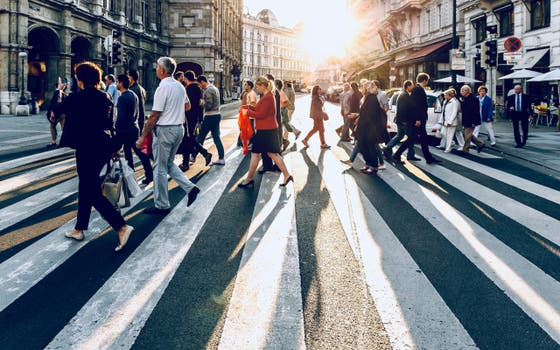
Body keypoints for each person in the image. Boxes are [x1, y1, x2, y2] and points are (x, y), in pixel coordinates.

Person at [58, 62, 133, 252]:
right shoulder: (105, 96)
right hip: (104, 146)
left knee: (91, 190)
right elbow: (110, 123)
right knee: (86, 185)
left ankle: (121, 226)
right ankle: (79, 228)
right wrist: (114, 148)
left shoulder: (78, 97)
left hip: (86, 147)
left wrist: (59, 91)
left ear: (80, 79)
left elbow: (55, 111)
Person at [135, 57, 200, 215]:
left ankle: (162, 205)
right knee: (168, 163)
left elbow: (155, 115)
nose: (156, 69)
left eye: (157, 67)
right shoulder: (179, 86)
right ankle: (191, 188)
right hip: (178, 129)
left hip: (165, 130)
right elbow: (188, 106)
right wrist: (173, 110)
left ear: (162, 70)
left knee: (159, 169)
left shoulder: (162, 88)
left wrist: (142, 136)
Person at [238, 76, 293, 188]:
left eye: (258, 86)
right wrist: (250, 108)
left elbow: (261, 114)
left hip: (265, 130)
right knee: (272, 154)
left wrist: (249, 113)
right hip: (268, 129)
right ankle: (287, 176)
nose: (257, 88)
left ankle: (249, 179)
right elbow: (261, 110)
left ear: (263, 85)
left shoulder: (268, 97)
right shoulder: (268, 96)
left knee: (255, 153)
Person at [115, 74, 153, 184]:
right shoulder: (133, 94)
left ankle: (130, 176)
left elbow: (121, 117)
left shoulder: (122, 98)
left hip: (124, 130)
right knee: (134, 152)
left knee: (116, 151)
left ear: (121, 83)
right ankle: (145, 173)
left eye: (117, 82)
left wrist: (116, 129)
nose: (117, 84)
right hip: (133, 127)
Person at [394, 73, 440, 164]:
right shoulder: (417, 89)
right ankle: (397, 155)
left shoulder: (418, 89)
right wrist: (417, 119)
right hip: (418, 120)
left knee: (421, 139)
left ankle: (428, 158)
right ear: (424, 80)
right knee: (413, 139)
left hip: (419, 119)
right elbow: (415, 106)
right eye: (427, 80)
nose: (427, 82)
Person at [179, 70, 212, 171]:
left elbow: (186, 105)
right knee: (189, 139)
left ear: (186, 78)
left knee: (187, 139)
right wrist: (200, 119)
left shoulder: (189, 89)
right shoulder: (198, 89)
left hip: (188, 118)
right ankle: (202, 155)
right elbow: (200, 105)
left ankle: (187, 162)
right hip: (194, 117)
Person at [353, 82, 386, 174]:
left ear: (367, 89)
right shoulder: (367, 98)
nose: (361, 89)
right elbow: (365, 112)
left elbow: (370, 114)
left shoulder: (371, 98)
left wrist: (361, 122)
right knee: (364, 147)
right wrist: (358, 117)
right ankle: (368, 164)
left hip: (370, 128)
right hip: (366, 127)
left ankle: (374, 167)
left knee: (370, 148)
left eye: (363, 87)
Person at [197, 75, 225, 165]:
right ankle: (221, 158)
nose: (199, 86)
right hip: (217, 114)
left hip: (210, 116)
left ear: (202, 81)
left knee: (201, 136)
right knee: (216, 137)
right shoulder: (214, 88)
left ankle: (193, 155)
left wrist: (202, 103)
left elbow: (209, 105)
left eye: (199, 84)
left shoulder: (208, 90)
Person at [383, 80, 416, 159]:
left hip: (401, 120)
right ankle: (387, 148)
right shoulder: (404, 95)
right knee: (409, 137)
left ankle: (410, 154)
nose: (413, 87)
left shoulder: (404, 94)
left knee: (402, 136)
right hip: (403, 121)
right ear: (408, 86)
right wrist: (404, 121)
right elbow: (402, 109)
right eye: (412, 85)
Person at [460, 85, 485, 153]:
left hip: (471, 120)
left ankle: (465, 149)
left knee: (467, 135)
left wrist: (474, 122)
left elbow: (475, 111)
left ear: (467, 91)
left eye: (462, 90)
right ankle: (480, 144)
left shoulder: (473, 99)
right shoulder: (465, 98)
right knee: (468, 134)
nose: (461, 92)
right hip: (466, 119)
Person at [276, 79, 299, 149]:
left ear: (286, 84)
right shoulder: (291, 89)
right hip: (290, 108)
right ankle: (290, 136)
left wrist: (280, 107)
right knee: (285, 123)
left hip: (288, 109)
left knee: (285, 123)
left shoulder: (286, 91)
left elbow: (286, 101)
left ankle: (286, 138)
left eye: (284, 83)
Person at [439, 88, 463, 153]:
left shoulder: (455, 102)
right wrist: (441, 120)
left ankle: (448, 148)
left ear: (449, 95)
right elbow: (443, 112)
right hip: (445, 121)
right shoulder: (445, 102)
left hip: (452, 122)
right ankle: (452, 143)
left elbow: (454, 113)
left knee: (450, 135)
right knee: (442, 133)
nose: (444, 96)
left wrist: (450, 121)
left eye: (445, 95)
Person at [46, 78, 68, 148]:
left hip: (57, 113)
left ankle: (54, 141)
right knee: (62, 128)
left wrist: (52, 111)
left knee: (53, 127)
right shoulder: (63, 93)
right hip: (61, 113)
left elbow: (53, 103)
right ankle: (62, 141)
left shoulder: (58, 93)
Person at [128, 68, 147, 133]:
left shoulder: (132, 91)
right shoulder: (142, 89)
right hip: (141, 120)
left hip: (134, 122)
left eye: (128, 76)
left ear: (131, 77)